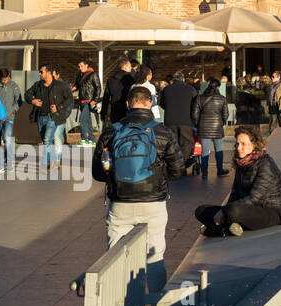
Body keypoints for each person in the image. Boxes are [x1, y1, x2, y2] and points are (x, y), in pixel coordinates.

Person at [92, 87, 185, 291]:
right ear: (150, 103)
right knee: (154, 257)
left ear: (128, 104)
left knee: (116, 257)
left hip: (120, 203)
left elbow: (98, 172)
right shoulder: (162, 131)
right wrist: (156, 177)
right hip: (153, 203)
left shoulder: (111, 130)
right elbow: (178, 170)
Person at [195, 125, 281, 237]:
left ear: (254, 145)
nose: (239, 147)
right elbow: (234, 194)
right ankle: (229, 228)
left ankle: (221, 229)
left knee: (233, 212)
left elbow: (255, 198)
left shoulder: (265, 164)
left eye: (243, 144)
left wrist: (225, 211)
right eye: (237, 143)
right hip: (245, 209)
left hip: (269, 211)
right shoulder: (241, 163)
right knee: (200, 211)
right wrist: (223, 211)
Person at [26, 65, 73, 173]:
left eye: (41, 72)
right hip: (40, 117)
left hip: (53, 117)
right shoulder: (37, 85)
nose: (39, 74)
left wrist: (58, 107)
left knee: (47, 140)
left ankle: (48, 163)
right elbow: (27, 94)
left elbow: (69, 99)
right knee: (45, 140)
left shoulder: (60, 85)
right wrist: (33, 101)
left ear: (48, 73)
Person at [159, 71, 198, 175]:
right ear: (183, 79)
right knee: (187, 142)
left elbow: (161, 103)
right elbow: (196, 104)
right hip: (185, 120)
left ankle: (174, 164)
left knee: (172, 142)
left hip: (169, 120)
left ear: (173, 80)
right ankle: (182, 163)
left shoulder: (166, 89)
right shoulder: (190, 89)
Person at [192, 77, 229, 179]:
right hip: (217, 128)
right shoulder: (222, 99)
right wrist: (222, 122)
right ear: (217, 87)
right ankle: (220, 170)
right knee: (219, 150)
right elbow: (226, 114)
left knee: (205, 151)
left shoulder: (200, 98)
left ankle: (204, 173)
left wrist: (197, 124)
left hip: (204, 128)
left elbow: (195, 114)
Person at [0, 69, 20, 172]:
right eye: (2, 80)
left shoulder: (14, 85)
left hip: (9, 117)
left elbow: (18, 101)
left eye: (6, 79)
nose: (4, 82)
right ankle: (0, 164)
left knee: (8, 139)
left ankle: (9, 163)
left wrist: (12, 111)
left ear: (9, 76)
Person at [72, 59, 102, 146]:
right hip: (81, 101)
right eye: (79, 66)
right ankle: (92, 140)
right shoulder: (79, 75)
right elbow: (77, 85)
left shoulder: (93, 74)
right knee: (88, 121)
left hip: (89, 101)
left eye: (81, 66)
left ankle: (84, 139)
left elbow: (98, 87)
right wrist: (71, 90)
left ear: (86, 65)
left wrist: (94, 100)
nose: (80, 68)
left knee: (82, 119)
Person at [102, 58, 135, 125]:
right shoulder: (131, 80)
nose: (131, 68)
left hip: (114, 110)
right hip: (127, 109)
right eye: (129, 66)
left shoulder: (110, 79)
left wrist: (103, 113)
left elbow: (106, 97)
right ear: (125, 67)